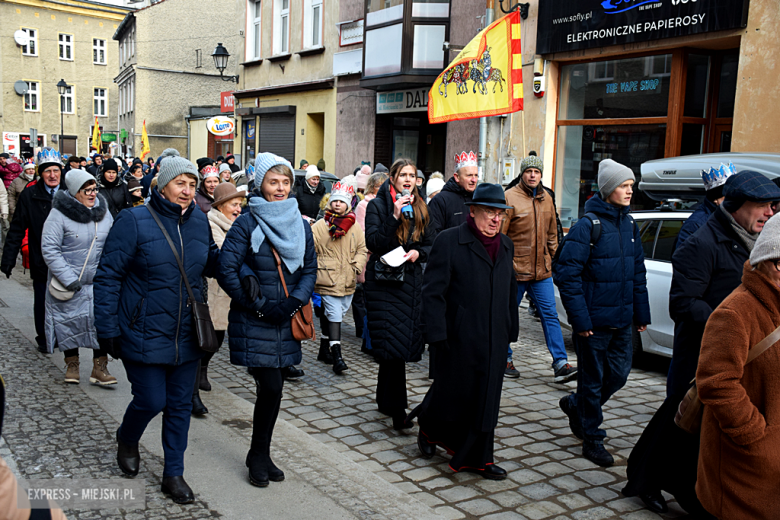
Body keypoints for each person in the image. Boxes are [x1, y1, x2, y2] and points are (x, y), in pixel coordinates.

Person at [93, 155, 219, 504]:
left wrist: (242, 244)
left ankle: (173, 473)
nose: (188, 190)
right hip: (142, 328)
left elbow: (212, 262)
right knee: (151, 399)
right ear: (162, 185)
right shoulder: (134, 220)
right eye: (181, 183)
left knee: (179, 406)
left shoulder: (199, 222)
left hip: (187, 333)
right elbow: (108, 277)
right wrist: (107, 328)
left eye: (193, 185)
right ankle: (128, 437)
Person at [217, 152, 316, 487]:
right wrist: (256, 305)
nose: (280, 188)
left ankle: (261, 453)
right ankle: (257, 455)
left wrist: (292, 303)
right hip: (255, 319)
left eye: (286, 181)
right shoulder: (247, 222)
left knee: (274, 391)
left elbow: (309, 270)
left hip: (285, 318)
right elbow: (226, 269)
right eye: (273, 181)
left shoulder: (301, 224)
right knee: (271, 385)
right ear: (260, 183)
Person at [415, 183, 518, 479]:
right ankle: (429, 426)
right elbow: (433, 292)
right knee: (453, 393)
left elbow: (509, 290)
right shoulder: (450, 241)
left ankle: (479, 458)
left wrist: (510, 328)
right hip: (459, 336)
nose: (495, 219)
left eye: (500, 213)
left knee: (487, 397)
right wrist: (435, 335)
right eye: (489, 212)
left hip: (495, 335)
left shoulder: (506, 245)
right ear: (472, 212)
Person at [554, 159, 650, 467]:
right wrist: (579, 320)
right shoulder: (588, 226)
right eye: (623, 186)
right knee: (592, 382)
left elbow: (637, 272)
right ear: (608, 189)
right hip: (593, 324)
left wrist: (641, 314)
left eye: (631, 186)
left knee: (619, 375)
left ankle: (576, 405)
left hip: (622, 320)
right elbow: (567, 275)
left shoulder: (630, 224)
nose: (629, 191)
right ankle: (592, 438)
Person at [695, 216, 780, 520]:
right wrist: (756, 437)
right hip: (745, 466)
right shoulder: (736, 311)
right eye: (779, 263)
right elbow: (716, 383)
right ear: (761, 260)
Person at [667, 170, 780, 398]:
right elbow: (683, 303)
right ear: (736, 205)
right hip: (706, 363)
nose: (770, 212)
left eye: (772, 205)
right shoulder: (701, 243)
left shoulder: (761, 241)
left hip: (747, 359)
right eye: (761, 205)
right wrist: (730, 328)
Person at [364, 158, 434, 430]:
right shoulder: (377, 206)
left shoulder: (421, 206)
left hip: (410, 282)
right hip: (384, 282)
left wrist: (419, 252)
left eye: (412, 175)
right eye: (402, 175)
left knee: (396, 344)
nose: (408, 179)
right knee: (393, 346)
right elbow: (374, 242)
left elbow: (432, 241)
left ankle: (385, 400)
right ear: (391, 178)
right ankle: (397, 410)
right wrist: (394, 217)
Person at [503, 155, 576, 383]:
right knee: (506, 317)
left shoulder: (547, 198)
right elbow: (502, 236)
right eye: (528, 171)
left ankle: (561, 364)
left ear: (541, 175)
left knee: (550, 316)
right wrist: (503, 266)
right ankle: (504, 358)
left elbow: (552, 234)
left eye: (536, 171)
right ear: (522, 174)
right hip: (516, 270)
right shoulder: (509, 196)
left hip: (541, 271)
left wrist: (556, 261)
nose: (533, 175)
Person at [41, 169, 115, 385]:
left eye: (94, 189)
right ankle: (72, 364)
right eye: (87, 190)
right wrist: (68, 278)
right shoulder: (58, 215)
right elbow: (50, 249)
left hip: (98, 283)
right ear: (74, 192)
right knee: (68, 323)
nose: (92, 194)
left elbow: (112, 242)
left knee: (100, 324)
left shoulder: (104, 211)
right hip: (69, 283)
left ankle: (99, 368)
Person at [2, 148, 65, 352]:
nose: (52, 175)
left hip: (67, 259)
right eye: (47, 171)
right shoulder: (30, 194)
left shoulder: (70, 192)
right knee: (42, 301)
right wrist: (8, 259)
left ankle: (64, 336)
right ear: (40, 172)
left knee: (66, 301)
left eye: (56, 170)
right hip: (41, 258)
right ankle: (45, 337)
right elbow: (18, 227)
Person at [311, 182, 368, 374]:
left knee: (337, 312)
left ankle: (323, 349)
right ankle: (337, 356)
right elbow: (311, 251)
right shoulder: (320, 226)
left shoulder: (354, 226)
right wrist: (319, 267)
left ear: (348, 205)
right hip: (327, 278)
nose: (337, 204)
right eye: (334, 201)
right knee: (334, 315)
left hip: (348, 279)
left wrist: (357, 266)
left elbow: (362, 249)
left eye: (341, 202)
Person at [354, 172, 388, 356]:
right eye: (379, 186)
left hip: (386, 259)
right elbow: (362, 233)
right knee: (369, 302)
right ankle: (368, 342)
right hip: (370, 257)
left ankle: (373, 340)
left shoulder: (389, 204)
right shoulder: (363, 205)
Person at [677, 163, 737, 247]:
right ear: (716, 199)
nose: (733, 200)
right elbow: (683, 257)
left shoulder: (732, 215)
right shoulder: (696, 224)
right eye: (727, 196)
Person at [427, 151, 479, 236]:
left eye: (476, 175)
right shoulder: (440, 201)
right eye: (469, 175)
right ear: (457, 177)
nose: (474, 180)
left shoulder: (478, 199)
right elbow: (433, 235)